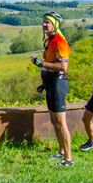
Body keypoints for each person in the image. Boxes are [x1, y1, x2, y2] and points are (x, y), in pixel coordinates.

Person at [31, 11, 73, 167]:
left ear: (55, 24)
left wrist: (42, 64)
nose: (44, 24)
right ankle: (62, 151)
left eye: (47, 22)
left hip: (58, 84)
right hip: (51, 84)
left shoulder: (60, 42)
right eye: (43, 21)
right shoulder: (50, 41)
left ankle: (68, 159)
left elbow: (63, 66)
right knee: (54, 120)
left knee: (61, 122)